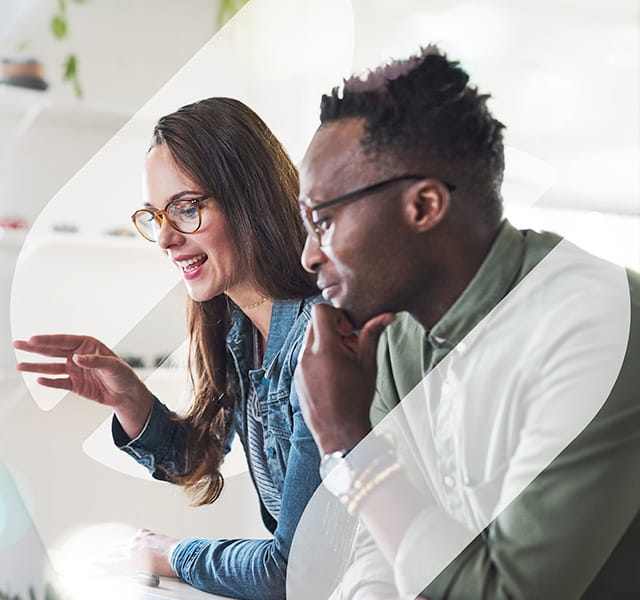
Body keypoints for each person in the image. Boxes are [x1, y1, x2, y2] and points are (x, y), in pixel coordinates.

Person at [292, 46, 640, 599]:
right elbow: (382, 543)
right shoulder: (391, 337)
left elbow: (509, 593)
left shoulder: (597, 324)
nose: (310, 255)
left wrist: (347, 443)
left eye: (323, 220)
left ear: (425, 206)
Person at [14, 97, 323, 600]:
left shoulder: (319, 341)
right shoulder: (239, 331)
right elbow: (195, 459)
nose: (164, 238)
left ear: (251, 199)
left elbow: (295, 570)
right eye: (155, 214)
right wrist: (131, 400)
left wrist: (172, 554)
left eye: (186, 208)